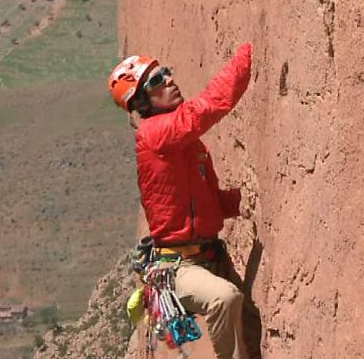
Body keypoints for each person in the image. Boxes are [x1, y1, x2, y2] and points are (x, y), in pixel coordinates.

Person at [108, 43, 260, 359]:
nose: (168, 80)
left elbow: (209, 202)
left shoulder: (190, 147)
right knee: (225, 298)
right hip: (176, 266)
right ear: (141, 102)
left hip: (209, 256)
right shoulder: (154, 134)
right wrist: (249, 53)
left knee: (247, 329)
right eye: (156, 81)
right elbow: (207, 107)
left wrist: (243, 201)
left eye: (165, 72)